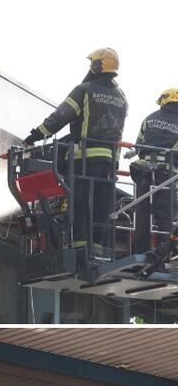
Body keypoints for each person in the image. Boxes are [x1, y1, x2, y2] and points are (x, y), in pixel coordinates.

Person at [23, 48, 127, 257]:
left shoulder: (84, 90)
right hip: (109, 161)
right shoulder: (121, 96)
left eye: (92, 64)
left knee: (80, 204)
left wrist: (35, 135)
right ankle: (98, 250)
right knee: (101, 207)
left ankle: (79, 248)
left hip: (84, 158)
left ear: (98, 66)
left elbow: (61, 116)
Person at [131, 88, 178, 250]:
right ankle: (163, 250)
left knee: (142, 209)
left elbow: (138, 145)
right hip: (166, 171)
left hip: (143, 168)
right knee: (164, 211)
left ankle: (140, 249)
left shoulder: (150, 118)